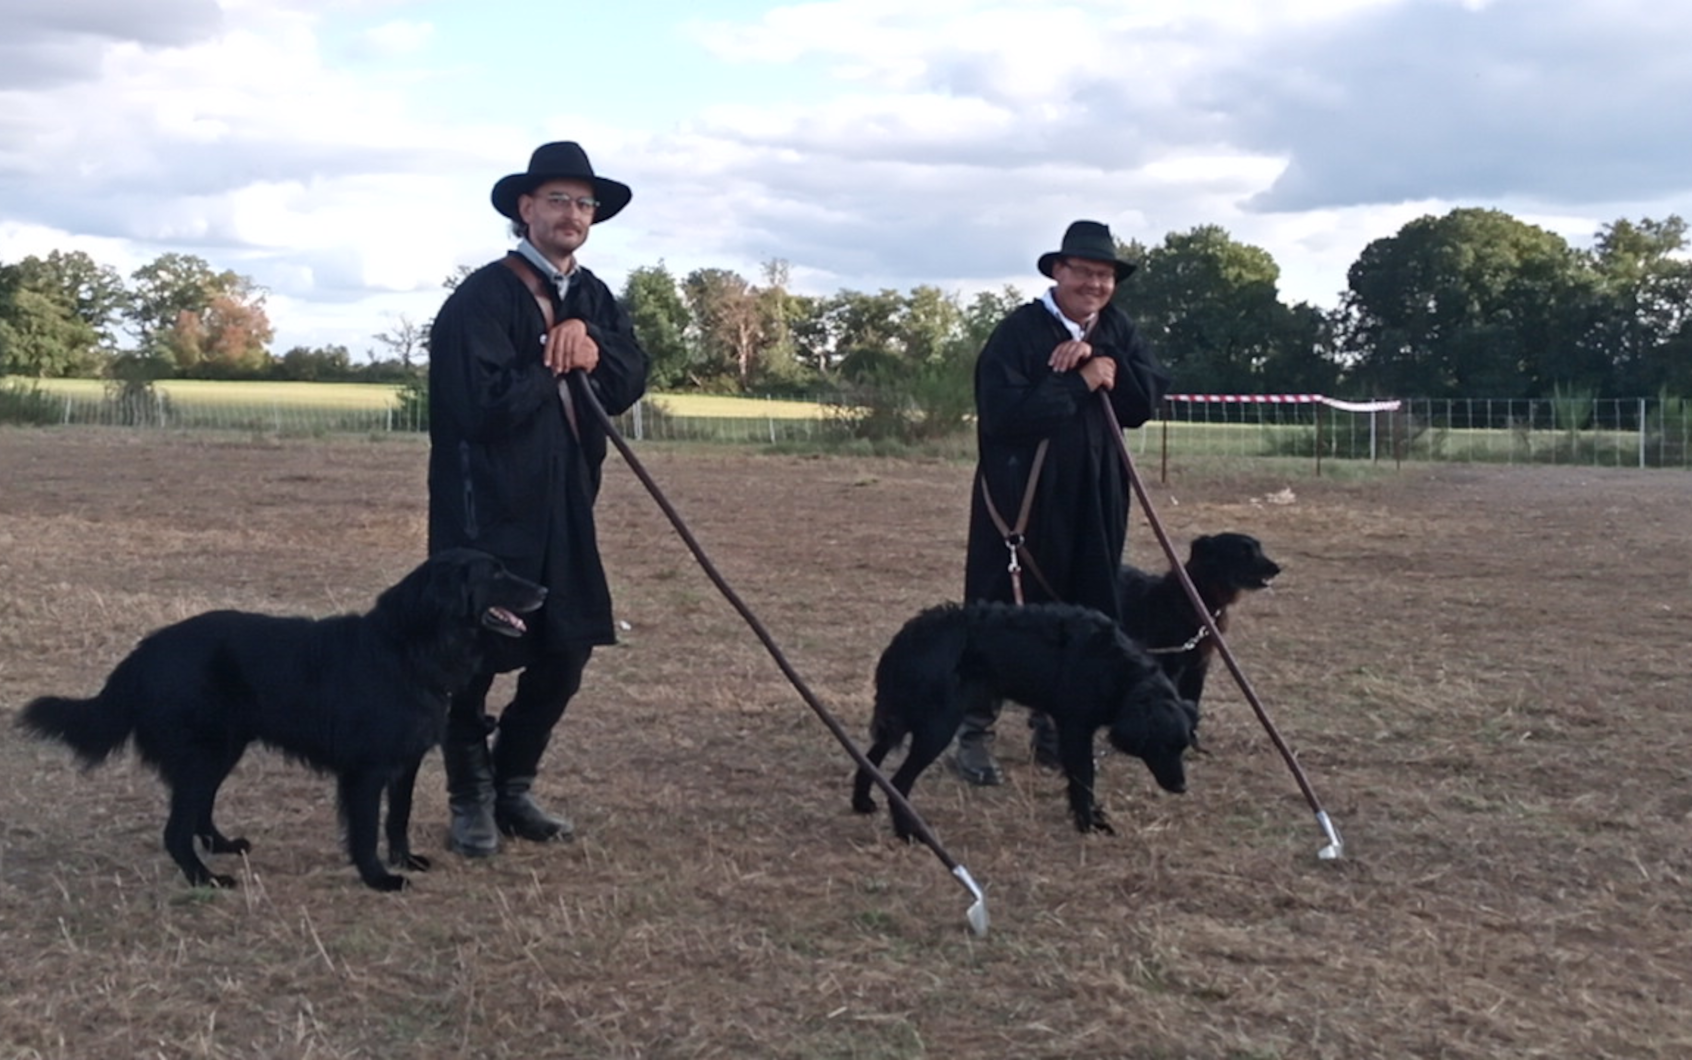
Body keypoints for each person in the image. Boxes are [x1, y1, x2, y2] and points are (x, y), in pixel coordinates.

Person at [426, 141, 650, 856]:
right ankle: (469, 796)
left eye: (584, 204)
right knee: (471, 656)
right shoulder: (481, 299)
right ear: (525, 208)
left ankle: (513, 781)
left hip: (566, 505)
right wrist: (552, 356)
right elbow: (476, 407)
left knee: (569, 648)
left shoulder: (593, 295)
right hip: (484, 508)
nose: (573, 214)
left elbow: (626, 379)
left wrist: (589, 345)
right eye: (558, 199)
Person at [952, 219, 1171, 786]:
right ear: (1057, 271)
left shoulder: (1117, 330)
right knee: (1002, 612)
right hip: (1021, 499)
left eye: (1105, 276)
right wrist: (1080, 381)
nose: (1095, 285)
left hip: (1096, 495)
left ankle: (1059, 728)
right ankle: (972, 732)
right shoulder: (1019, 334)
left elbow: (1143, 401)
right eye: (1084, 272)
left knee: (1088, 610)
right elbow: (1005, 418)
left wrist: (1099, 362)